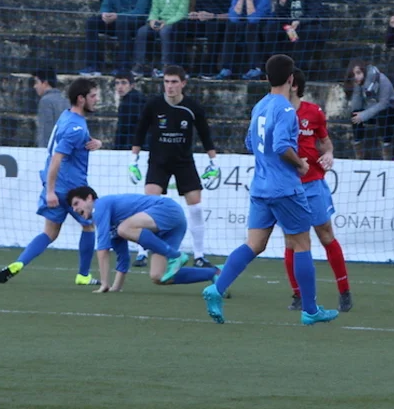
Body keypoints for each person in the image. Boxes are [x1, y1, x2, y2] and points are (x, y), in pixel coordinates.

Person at [201, 55, 339, 325]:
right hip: (284, 188)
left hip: (260, 186)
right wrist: (300, 164)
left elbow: (250, 143)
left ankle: (217, 288)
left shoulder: (260, 106)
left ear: (266, 78)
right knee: (302, 244)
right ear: (291, 79)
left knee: (254, 244)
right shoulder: (286, 110)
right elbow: (281, 146)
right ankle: (310, 310)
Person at [0, 78, 103, 287]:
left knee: (50, 233)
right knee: (89, 226)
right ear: (81, 99)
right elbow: (57, 158)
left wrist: (97, 142)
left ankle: (19, 263)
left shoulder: (67, 116)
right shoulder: (76, 128)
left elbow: (69, 147)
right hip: (73, 189)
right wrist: (52, 192)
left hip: (54, 185)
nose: (96, 99)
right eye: (93, 96)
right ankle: (83, 275)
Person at [130, 65, 219, 269]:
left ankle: (199, 255)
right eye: (166, 82)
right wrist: (133, 160)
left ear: (183, 83)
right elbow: (140, 131)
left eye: (174, 82)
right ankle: (142, 252)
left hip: (183, 162)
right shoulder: (153, 105)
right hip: (158, 161)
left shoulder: (192, 107)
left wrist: (214, 161)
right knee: (149, 204)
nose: (169, 86)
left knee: (196, 207)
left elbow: (205, 134)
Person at [283, 68, 352, 312]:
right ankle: (298, 295)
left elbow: (325, 142)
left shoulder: (313, 112)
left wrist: (329, 154)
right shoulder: (275, 112)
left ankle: (344, 290)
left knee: (326, 235)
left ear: (293, 85)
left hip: (312, 183)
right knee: (292, 241)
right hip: (287, 187)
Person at [68, 188, 220, 291]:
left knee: (124, 228)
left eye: (76, 203)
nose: (74, 209)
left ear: (89, 198)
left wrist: (104, 283)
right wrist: (115, 287)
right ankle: (214, 273)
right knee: (159, 276)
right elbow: (123, 256)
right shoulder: (111, 224)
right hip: (172, 227)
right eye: (72, 207)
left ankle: (175, 256)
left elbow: (103, 249)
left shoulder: (100, 206)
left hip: (168, 209)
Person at [133, 0, 189, 78]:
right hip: (160, 21)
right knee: (142, 31)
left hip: (174, 23)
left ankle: (166, 66)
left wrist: (167, 22)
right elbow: (154, 8)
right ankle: (140, 65)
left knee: (165, 31)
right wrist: (152, 20)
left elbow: (182, 12)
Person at [345, 58, 394, 161]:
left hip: (391, 111)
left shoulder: (381, 79)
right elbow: (356, 107)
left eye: (358, 73)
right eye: (353, 75)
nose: (356, 76)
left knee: (383, 114)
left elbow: (384, 104)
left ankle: (387, 150)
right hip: (371, 111)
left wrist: (364, 115)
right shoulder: (359, 82)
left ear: (364, 71)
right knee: (355, 115)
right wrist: (357, 88)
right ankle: (359, 151)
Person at [33, 70, 69, 149]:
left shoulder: (45, 101)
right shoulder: (65, 100)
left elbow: (45, 130)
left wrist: (43, 151)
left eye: (36, 82)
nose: (34, 86)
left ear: (45, 83)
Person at [113, 72, 145, 150]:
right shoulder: (139, 97)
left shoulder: (128, 103)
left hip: (131, 145)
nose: (120, 86)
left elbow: (123, 129)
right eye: (117, 83)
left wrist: (116, 148)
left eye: (124, 83)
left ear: (132, 85)